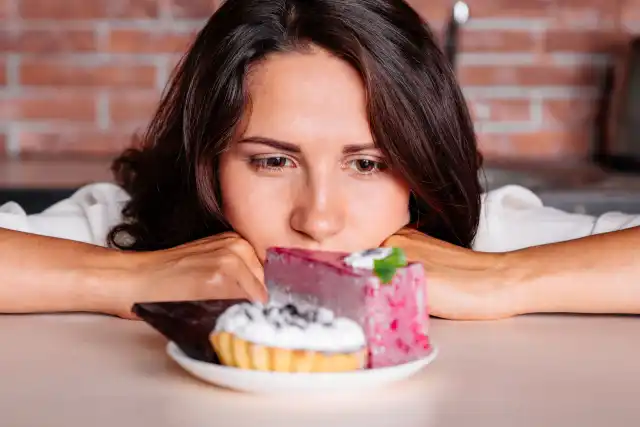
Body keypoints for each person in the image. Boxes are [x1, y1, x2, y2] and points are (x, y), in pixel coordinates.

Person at [0, 0, 638, 321]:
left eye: (367, 165)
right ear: (209, 161)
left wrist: (504, 281)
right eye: (272, 163)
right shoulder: (133, 233)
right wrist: (126, 281)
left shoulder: (482, 241)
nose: (319, 220)